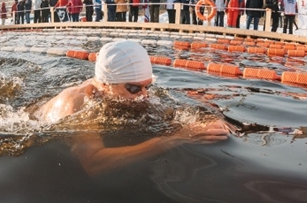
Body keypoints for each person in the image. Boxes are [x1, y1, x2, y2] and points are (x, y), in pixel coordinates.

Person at [39, 40, 230, 176]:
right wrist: (174, 138)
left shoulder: (129, 90)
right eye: (134, 88)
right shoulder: (76, 104)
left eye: (147, 86)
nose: (144, 95)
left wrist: (207, 121)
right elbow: (93, 163)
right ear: (105, 84)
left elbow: (176, 113)